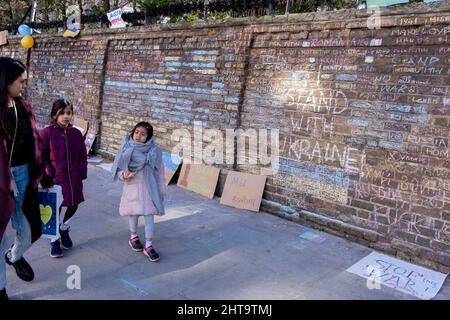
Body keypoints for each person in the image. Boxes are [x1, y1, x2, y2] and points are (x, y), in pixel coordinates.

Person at [0, 57, 44, 300]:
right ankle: (1, 287)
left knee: (31, 229)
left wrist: (44, 171)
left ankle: (14, 256)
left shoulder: (22, 106)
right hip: (0, 179)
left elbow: (35, 142)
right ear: (6, 81)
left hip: (24, 173)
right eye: (20, 81)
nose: (23, 85)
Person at [112, 122, 166, 262]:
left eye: (143, 134)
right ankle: (133, 237)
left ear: (148, 137)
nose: (138, 136)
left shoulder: (155, 151)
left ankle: (148, 245)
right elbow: (119, 169)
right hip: (133, 188)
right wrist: (124, 175)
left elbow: (160, 173)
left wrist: (161, 190)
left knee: (149, 215)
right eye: (136, 132)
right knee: (133, 214)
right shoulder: (126, 148)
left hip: (150, 189)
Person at [40, 98, 87, 258]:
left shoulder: (76, 134)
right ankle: (54, 240)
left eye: (68, 113)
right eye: (62, 113)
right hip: (56, 179)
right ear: (54, 115)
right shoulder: (47, 133)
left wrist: (81, 171)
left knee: (74, 204)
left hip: (74, 177)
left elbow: (82, 154)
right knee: (55, 208)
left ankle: (64, 227)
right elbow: (42, 157)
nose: (66, 116)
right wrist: (48, 175)